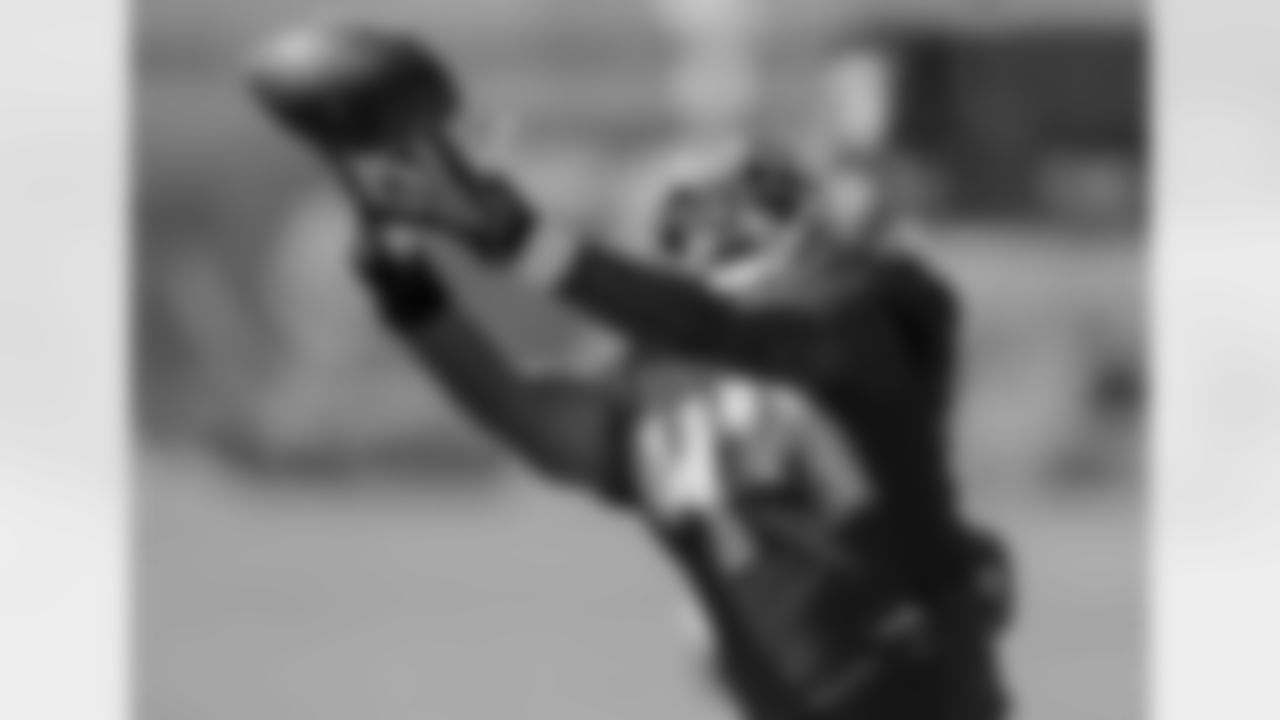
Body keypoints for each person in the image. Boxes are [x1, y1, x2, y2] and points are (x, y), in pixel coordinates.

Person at [249, 23, 1012, 720]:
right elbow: (532, 417)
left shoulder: (863, 309)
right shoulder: (692, 363)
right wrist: (403, 276)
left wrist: (506, 241)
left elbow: (689, 345)